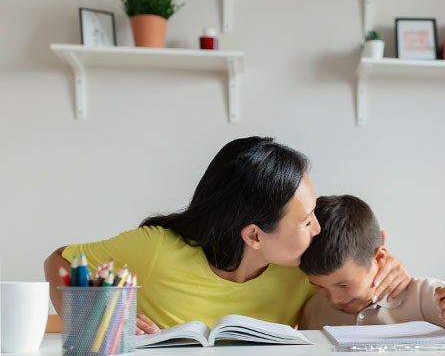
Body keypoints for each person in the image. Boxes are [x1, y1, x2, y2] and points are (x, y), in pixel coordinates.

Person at [44, 137, 410, 335]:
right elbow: (59, 260)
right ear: (254, 235)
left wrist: (385, 267)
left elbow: (357, 273)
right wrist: (92, 315)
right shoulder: (155, 250)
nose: (316, 229)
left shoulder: (305, 272)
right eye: (306, 220)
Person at [298, 194, 445, 336]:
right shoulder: (314, 310)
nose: (334, 298)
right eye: (320, 286)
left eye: (344, 285)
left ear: (380, 258)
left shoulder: (420, 296)